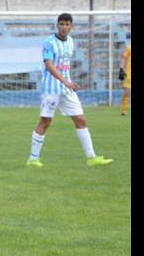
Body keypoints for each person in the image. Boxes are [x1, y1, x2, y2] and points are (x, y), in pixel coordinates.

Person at [26, 13, 114, 168]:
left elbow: (64, 65)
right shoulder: (49, 42)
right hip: (51, 88)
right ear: (57, 25)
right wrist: (65, 81)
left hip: (67, 88)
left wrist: (69, 82)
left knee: (81, 120)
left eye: (67, 24)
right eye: (61, 24)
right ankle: (33, 159)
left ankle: (91, 158)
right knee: (45, 122)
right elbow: (49, 65)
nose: (64, 27)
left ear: (71, 26)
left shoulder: (71, 42)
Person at [119, 32, 131, 116]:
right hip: (129, 74)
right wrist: (121, 69)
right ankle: (124, 110)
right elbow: (124, 58)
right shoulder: (129, 48)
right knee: (126, 93)